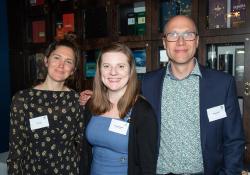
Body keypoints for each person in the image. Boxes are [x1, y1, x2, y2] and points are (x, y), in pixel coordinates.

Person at [80, 15, 245, 175]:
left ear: (197, 41)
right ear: (165, 43)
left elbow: (234, 140)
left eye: (188, 34)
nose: (180, 41)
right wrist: (95, 95)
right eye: (173, 35)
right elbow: (118, 89)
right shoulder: (147, 83)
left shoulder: (222, 84)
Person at [7, 35, 85, 175]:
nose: (61, 65)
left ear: (73, 70)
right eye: (56, 57)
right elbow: (16, 150)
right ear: (46, 60)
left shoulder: (77, 101)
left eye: (68, 61)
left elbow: (82, 146)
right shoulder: (22, 100)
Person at [81, 42, 158, 175]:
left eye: (121, 66)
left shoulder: (142, 112)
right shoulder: (91, 105)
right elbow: (85, 155)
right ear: (99, 71)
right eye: (106, 66)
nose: (113, 72)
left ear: (130, 70)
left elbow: (147, 166)